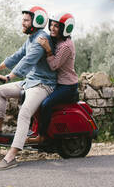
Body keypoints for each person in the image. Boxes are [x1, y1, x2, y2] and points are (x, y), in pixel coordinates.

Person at [0, 6, 56, 171]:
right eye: (23, 20)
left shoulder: (41, 39)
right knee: (0, 91)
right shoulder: (31, 38)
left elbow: (27, 61)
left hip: (43, 84)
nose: (23, 23)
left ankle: (11, 156)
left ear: (36, 21)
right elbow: (18, 55)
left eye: (26, 20)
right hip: (30, 81)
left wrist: (8, 77)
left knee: (24, 112)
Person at [29, 13, 79, 144]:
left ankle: (42, 135)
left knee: (46, 104)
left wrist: (48, 50)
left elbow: (54, 66)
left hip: (67, 87)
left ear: (65, 28)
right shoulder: (59, 41)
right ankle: (33, 129)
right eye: (51, 24)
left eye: (56, 26)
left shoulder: (66, 46)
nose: (52, 27)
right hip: (59, 84)